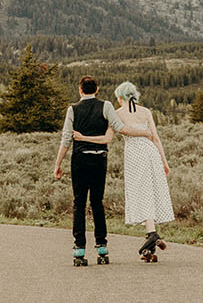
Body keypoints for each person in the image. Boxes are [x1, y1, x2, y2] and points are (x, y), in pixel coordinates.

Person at [52, 76, 154, 266]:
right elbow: (120, 128)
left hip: (80, 160)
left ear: (80, 90)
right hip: (99, 159)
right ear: (97, 89)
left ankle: (79, 248)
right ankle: (101, 247)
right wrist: (145, 133)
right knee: (97, 203)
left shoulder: (72, 109)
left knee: (79, 204)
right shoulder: (106, 106)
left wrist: (58, 163)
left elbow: (66, 139)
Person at [76, 81, 174, 261]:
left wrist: (83, 138)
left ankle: (152, 234)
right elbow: (156, 138)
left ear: (120, 98)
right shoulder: (146, 112)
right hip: (151, 152)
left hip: (135, 155)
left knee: (141, 193)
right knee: (149, 193)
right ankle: (150, 245)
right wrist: (164, 161)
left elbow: (107, 138)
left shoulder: (118, 113)